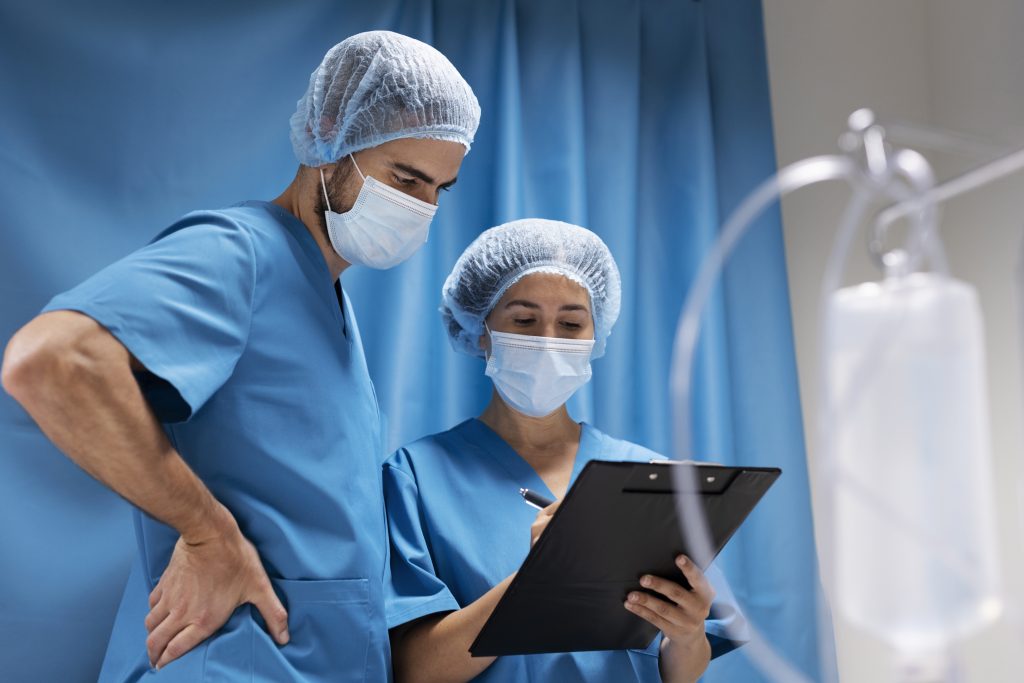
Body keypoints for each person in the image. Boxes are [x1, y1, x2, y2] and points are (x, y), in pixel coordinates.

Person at [1, 31, 479, 682]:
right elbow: (49, 359)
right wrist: (207, 533)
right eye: (405, 178)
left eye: (438, 190)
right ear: (331, 135)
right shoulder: (244, 253)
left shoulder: (322, 297)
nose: (420, 209)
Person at [383, 219, 748, 683]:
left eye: (571, 323)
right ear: (480, 329)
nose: (548, 339)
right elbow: (415, 670)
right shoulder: (415, 478)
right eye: (523, 319)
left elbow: (676, 671)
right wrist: (535, 580)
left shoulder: (646, 475)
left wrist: (688, 635)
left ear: (595, 337)